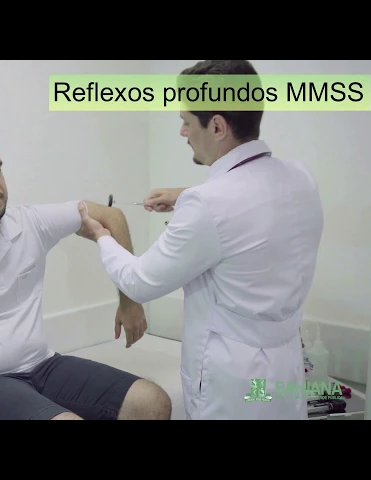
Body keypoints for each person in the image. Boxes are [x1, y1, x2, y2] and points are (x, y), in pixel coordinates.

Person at [77, 60, 324, 420]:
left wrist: (102, 236)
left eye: (187, 121)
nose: (182, 131)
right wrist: (185, 196)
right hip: (283, 369)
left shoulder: (209, 204)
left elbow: (139, 281)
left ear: (218, 126)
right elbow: (252, 204)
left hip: (234, 384)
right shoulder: (300, 177)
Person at [0, 122, 172, 420]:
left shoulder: (30, 224)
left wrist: (130, 301)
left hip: (41, 366)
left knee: (152, 402)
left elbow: (111, 216)